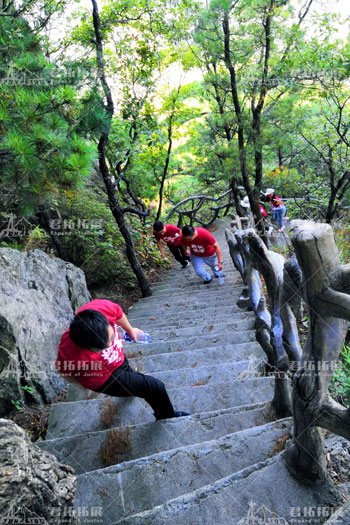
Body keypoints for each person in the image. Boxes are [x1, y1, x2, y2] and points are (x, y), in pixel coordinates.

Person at [55, 299, 189, 420]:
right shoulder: (70, 351)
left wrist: (130, 330)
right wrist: (79, 383)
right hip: (103, 377)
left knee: (130, 376)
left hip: (117, 358)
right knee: (155, 387)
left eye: (112, 337)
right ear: (86, 347)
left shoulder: (101, 307)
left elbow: (118, 314)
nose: (110, 343)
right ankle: (166, 415)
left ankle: (129, 391)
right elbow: (64, 371)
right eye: (102, 347)